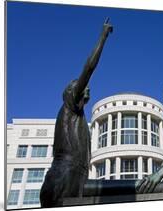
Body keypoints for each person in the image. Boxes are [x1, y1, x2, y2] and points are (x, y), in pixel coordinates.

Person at [40, 18, 113, 208]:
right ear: (72, 91)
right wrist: (103, 36)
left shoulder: (79, 116)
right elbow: (88, 68)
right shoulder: (70, 105)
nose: (86, 88)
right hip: (66, 174)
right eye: (80, 86)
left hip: (78, 174)